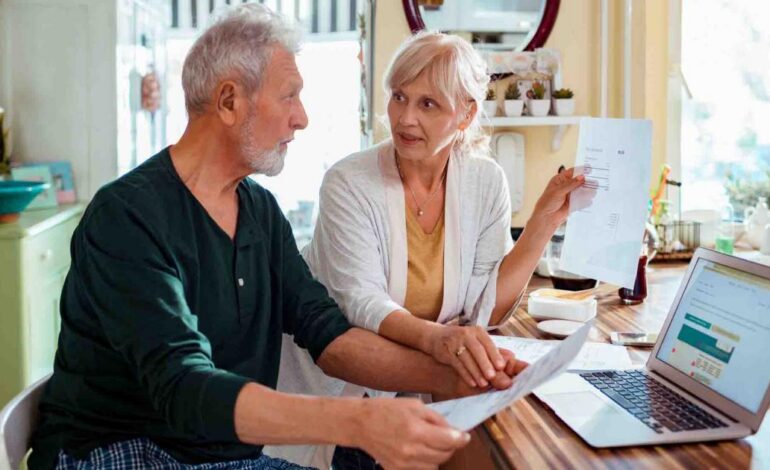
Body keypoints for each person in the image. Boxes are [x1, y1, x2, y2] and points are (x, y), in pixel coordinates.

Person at [28, 7, 526, 470]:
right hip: (120, 453)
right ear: (229, 102)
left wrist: (456, 374)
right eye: (289, 95)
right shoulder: (127, 216)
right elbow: (183, 387)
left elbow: (328, 335)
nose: (301, 117)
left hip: (217, 457)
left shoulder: (259, 212)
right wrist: (357, 421)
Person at [269, 32, 585, 468]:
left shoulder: (485, 182)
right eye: (399, 97)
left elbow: (486, 307)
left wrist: (544, 223)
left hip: (414, 397)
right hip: (335, 398)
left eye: (428, 104)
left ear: (466, 113)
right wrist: (440, 341)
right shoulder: (348, 182)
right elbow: (362, 303)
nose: (405, 118)